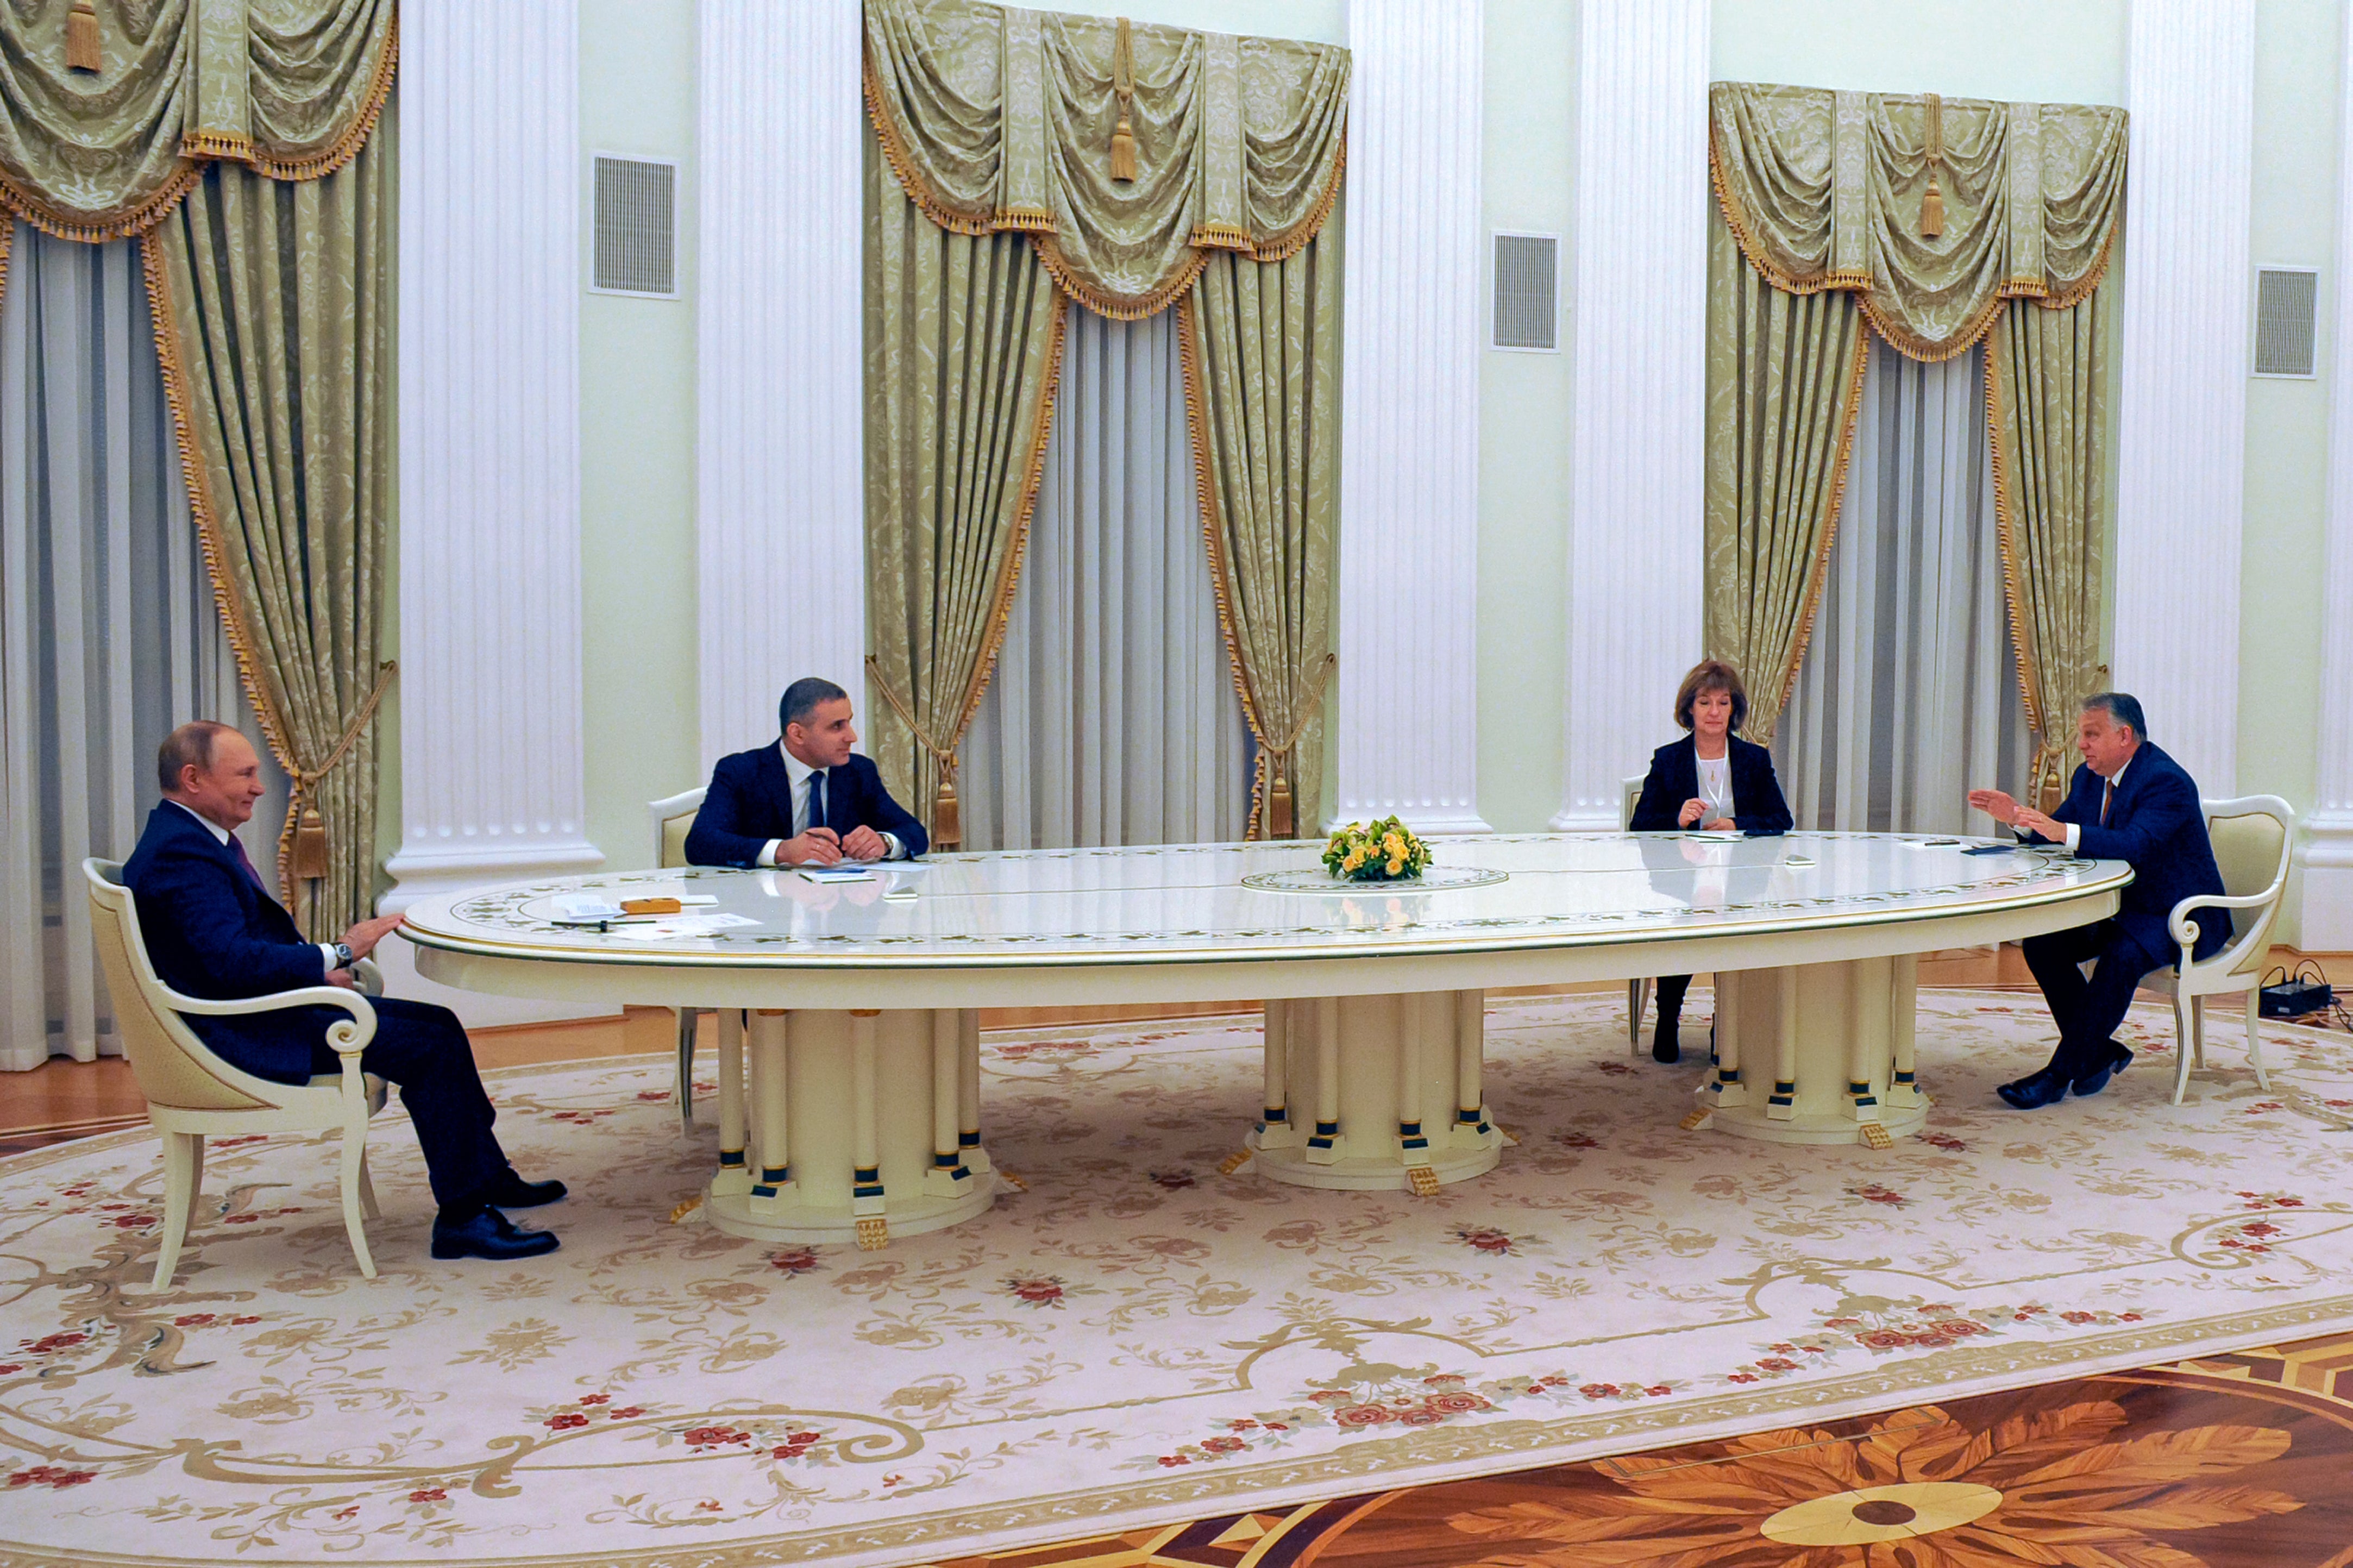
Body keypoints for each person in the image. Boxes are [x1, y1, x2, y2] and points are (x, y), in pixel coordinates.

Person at [122, 722, 564, 1261]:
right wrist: (340, 952)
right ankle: (463, 1218)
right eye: (245, 773)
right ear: (192, 778)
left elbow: (221, 957)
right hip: (243, 1033)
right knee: (430, 1046)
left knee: (438, 1024)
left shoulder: (185, 838)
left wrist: (313, 976)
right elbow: (232, 963)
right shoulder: (182, 856)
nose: (259, 786)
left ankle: (486, 1175)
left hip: (253, 1012)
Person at [1968, 692, 2231, 1110]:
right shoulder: (2089, 776)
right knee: (2042, 944)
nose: (2082, 745)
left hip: (2178, 912)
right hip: (2121, 906)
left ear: (2124, 735)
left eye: (2091, 734)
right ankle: (2099, 1053)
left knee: (2121, 957)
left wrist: (2061, 832)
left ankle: (2057, 1075)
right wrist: (2017, 818)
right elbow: (2061, 829)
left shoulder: (2166, 781)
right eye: (2080, 735)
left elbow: (2135, 845)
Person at [1628, 659, 1793, 1064]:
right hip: (1680, 876)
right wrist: (1677, 820)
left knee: (1733, 940)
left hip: (1741, 876)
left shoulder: (1754, 759)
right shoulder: (1667, 759)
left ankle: (1727, 1023)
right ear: (1689, 710)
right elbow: (1640, 824)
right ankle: (1668, 1019)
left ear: (1734, 710)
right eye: (1705, 703)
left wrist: (1737, 823)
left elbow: (1781, 819)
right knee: (1682, 937)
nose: (1715, 712)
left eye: (1723, 703)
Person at [686, 676, 930, 868]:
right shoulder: (741, 772)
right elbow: (701, 843)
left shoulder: (858, 772)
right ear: (798, 733)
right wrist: (782, 851)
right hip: (767, 912)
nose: (852, 737)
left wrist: (884, 843)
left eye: (849, 722)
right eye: (837, 726)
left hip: (842, 909)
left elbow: (914, 833)